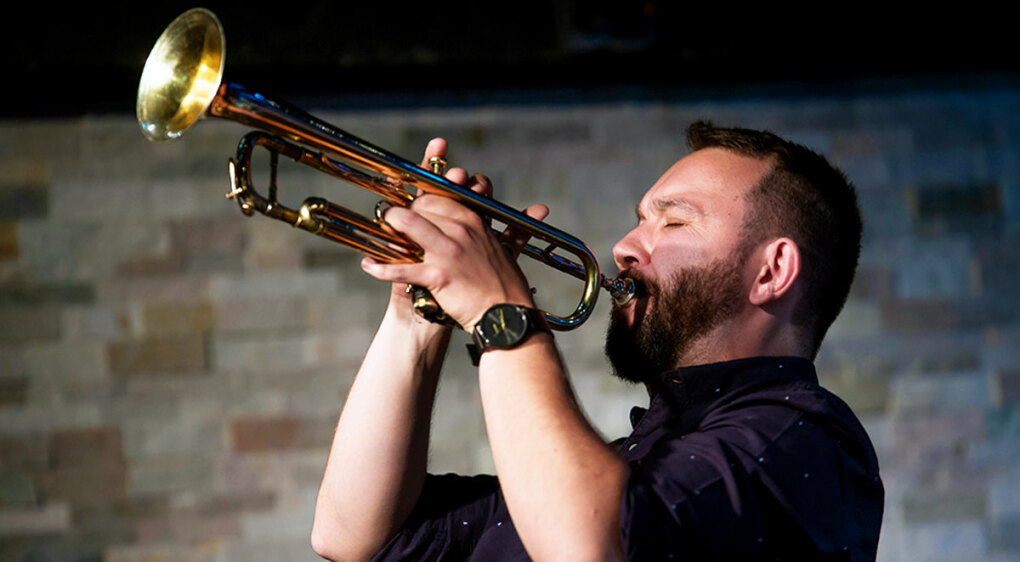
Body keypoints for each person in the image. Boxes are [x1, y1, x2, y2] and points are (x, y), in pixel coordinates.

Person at [310, 121, 884, 561]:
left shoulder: (805, 439)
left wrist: (498, 310)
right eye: (639, 219)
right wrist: (419, 317)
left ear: (772, 271)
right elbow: (353, 536)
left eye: (674, 222)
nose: (625, 246)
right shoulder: (611, 468)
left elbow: (593, 547)